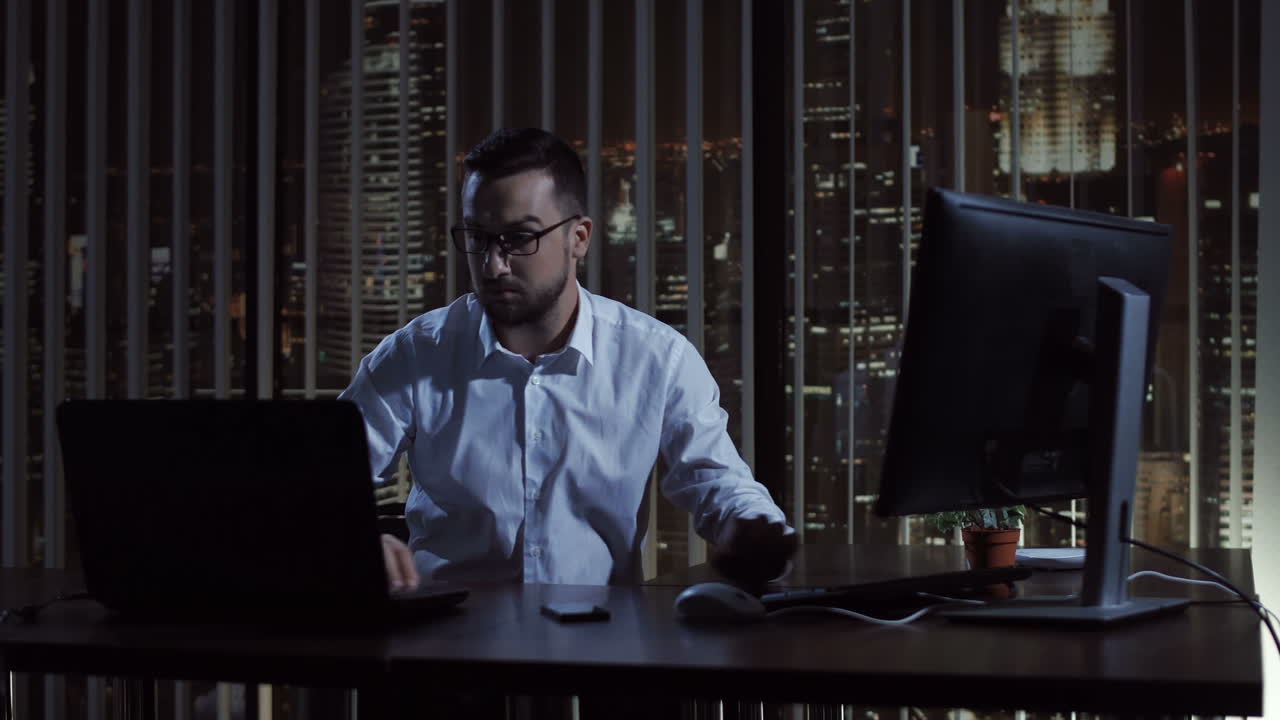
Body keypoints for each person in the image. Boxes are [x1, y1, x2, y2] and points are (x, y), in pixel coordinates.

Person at [340, 127, 795, 591]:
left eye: (519, 239)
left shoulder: (656, 359)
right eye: (478, 237)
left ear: (578, 237)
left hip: (599, 646)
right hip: (448, 648)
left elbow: (718, 483)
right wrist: (352, 543)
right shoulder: (416, 355)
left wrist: (749, 529)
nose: (494, 265)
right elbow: (312, 491)